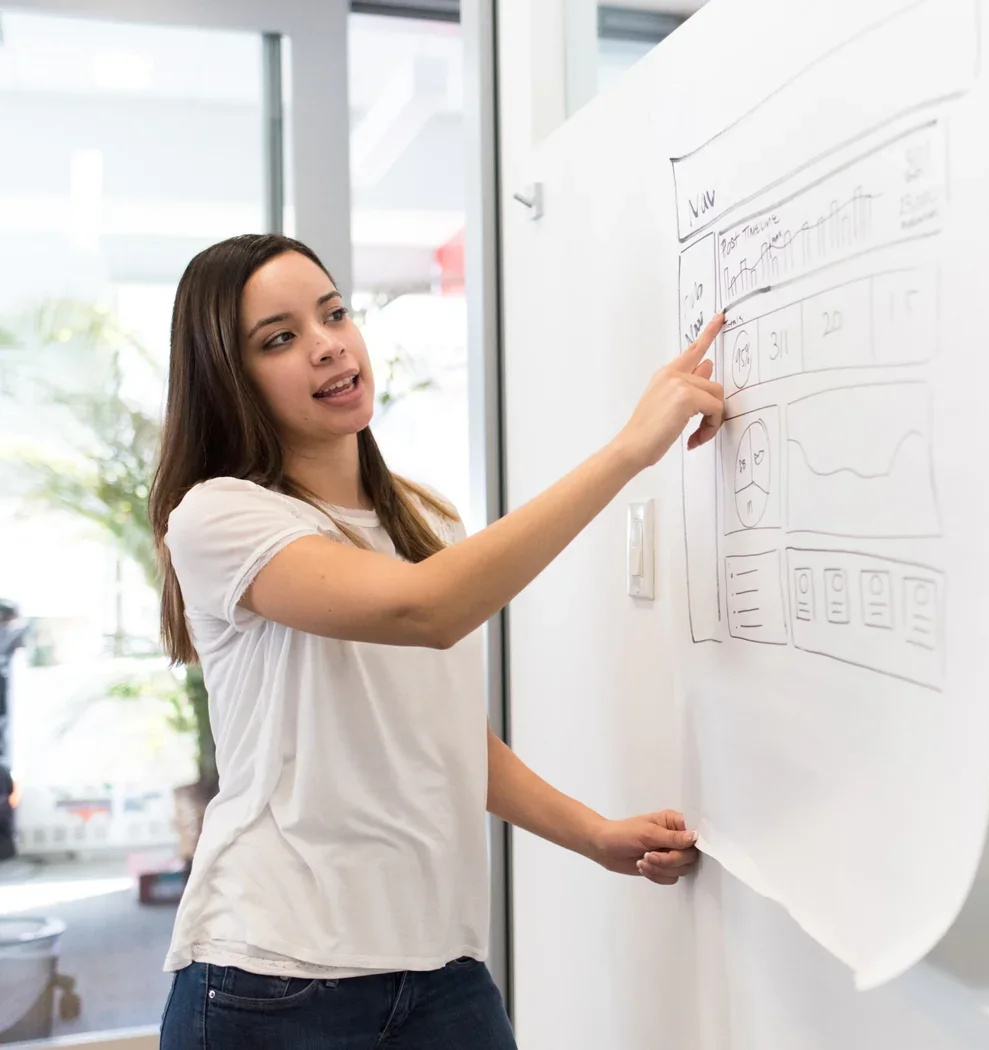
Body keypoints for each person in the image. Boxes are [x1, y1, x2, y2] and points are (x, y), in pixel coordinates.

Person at [150, 233, 725, 1049]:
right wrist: (632, 450)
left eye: (333, 313)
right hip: (272, 977)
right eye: (278, 339)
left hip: (440, 971)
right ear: (229, 379)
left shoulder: (424, 523)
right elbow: (428, 611)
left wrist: (593, 835)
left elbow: (443, 738)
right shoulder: (219, 516)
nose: (327, 346)